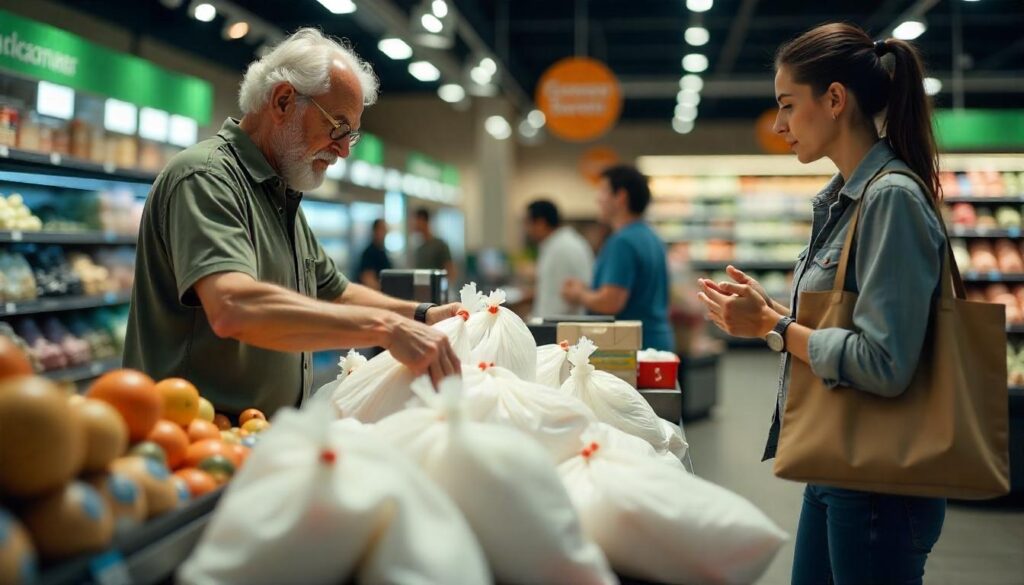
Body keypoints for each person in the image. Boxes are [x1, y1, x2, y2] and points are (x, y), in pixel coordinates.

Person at [697, 23, 947, 585]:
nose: (779, 125)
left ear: (834, 100)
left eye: (787, 105)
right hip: (835, 457)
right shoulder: (842, 200)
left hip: (881, 481)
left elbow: (885, 363)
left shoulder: (891, 200)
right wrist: (768, 318)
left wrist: (776, 325)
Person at [124, 29, 461, 418]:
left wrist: (422, 314)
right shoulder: (205, 178)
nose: (344, 150)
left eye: (351, 135)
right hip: (192, 441)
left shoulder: (278, 195)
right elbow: (232, 305)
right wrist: (383, 327)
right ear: (283, 101)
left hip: (254, 437)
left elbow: (335, 292)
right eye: (338, 128)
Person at [562, 165, 674, 351]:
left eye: (603, 191)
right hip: (656, 341)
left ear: (620, 196)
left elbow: (610, 302)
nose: (597, 199)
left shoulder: (622, 241)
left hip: (631, 346)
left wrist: (578, 294)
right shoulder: (651, 236)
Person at [525, 199, 594, 318]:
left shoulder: (561, 248)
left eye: (528, 223)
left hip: (559, 326)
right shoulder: (560, 243)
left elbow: (558, 301)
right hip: (559, 324)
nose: (527, 229)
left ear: (541, 223)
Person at [412, 208, 456, 281]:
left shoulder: (440, 245)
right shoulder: (419, 249)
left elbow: (451, 271)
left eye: (416, 221)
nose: (414, 224)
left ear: (423, 220)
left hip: (437, 288)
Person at [356, 218, 392, 290]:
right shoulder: (369, 253)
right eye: (382, 229)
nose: (384, 233)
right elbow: (368, 279)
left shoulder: (383, 251)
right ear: (375, 231)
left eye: (385, 230)